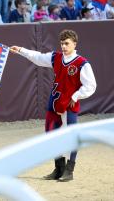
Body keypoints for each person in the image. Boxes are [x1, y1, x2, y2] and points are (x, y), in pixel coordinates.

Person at [10, 29, 97, 181]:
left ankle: (69, 171)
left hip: (68, 105)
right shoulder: (56, 57)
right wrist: (21, 50)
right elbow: (37, 57)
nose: (63, 46)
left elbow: (91, 85)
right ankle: (59, 168)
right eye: (62, 43)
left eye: (67, 43)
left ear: (74, 44)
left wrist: (76, 96)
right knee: (51, 135)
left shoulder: (82, 63)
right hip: (54, 103)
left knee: (71, 136)